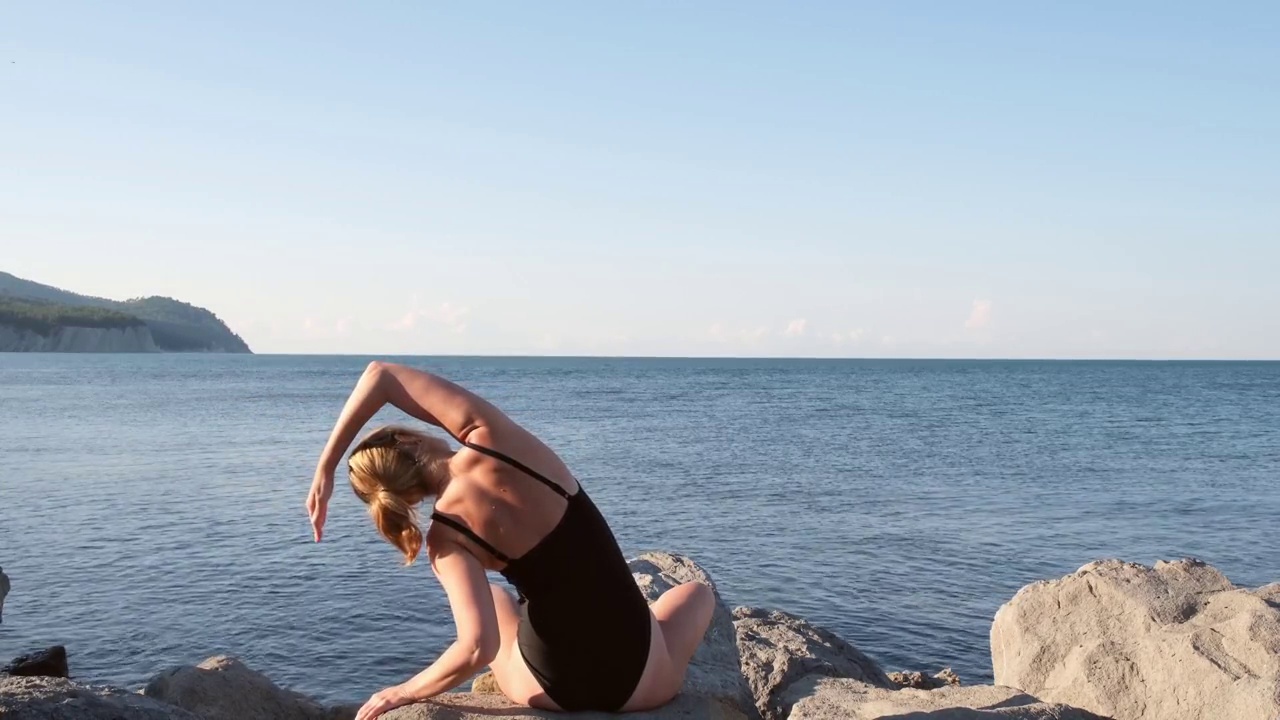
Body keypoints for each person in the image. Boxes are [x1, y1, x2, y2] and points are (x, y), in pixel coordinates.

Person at [306, 361, 715, 720]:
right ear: (410, 441)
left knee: (499, 602)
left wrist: (402, 692)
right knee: (696, 594)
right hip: (641, 684)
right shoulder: (494, 440)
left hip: (550, 691)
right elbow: (381, 375)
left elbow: (477, 649)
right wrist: (326, 468)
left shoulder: (445, 540)